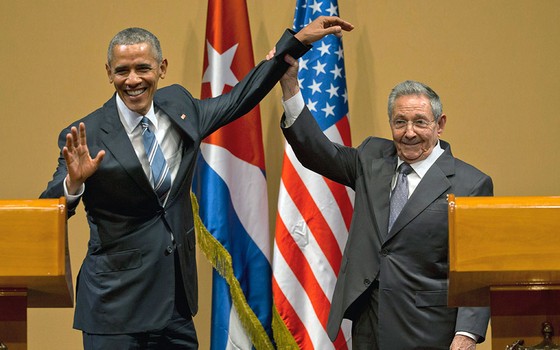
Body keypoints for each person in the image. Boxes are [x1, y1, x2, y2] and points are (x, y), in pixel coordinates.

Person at [40, 17, 353, 349]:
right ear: (108, 72)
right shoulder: (86, 134)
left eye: (143, 68)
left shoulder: (180, 107)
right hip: (115, 308)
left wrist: (297, 40)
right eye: (122, 71)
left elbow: (241, 97)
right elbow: (48, 210)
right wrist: (73, 185)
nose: (133, 80)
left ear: (162, 67)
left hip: (174, 304)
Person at [276, 53, 493, 349]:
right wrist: (290, 87)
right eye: (400, 122)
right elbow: (318, 152)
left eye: (420, 122)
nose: (409, 133)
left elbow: (477, 270)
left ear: (440, 124)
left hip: (428, 330)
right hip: (369, 324)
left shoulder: (471, 183)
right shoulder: (372, 158)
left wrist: (467, 333)